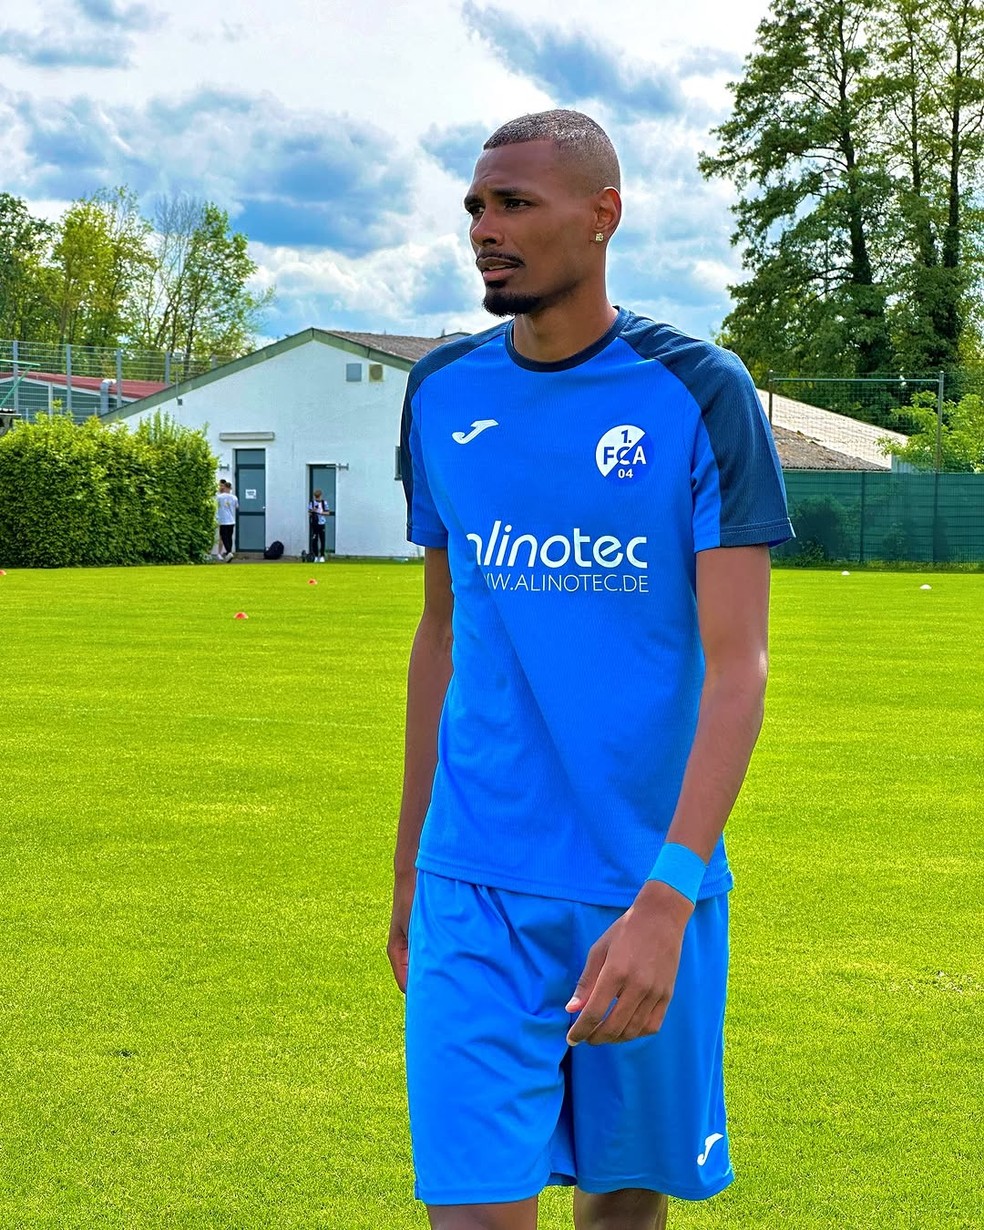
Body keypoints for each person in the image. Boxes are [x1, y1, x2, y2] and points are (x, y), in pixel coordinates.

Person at [390, 110, 794, 1230]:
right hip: (474, 879)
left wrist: (670, 894)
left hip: (643, 882)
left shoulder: (701, 393)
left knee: (622, 1210)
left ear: (603, 215)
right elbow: (443, 637)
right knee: (474, 1212)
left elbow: (740, 665)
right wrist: (411, 867)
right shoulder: (442, 393)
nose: (485, 228)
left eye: (515, 203)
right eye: (476, 205)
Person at [215, 479, 238, 561]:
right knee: (229, 537)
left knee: (224, 537)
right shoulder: (234, 497)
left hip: (223, 521)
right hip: (231, 520)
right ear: (230, 488)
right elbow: (237, 506)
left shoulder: (219, 497)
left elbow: (216, 506)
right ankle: (229, 552)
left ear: (224, 487)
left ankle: (228, 552)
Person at [308, 489, 332, 562]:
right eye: (316, 497)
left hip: (321, 523)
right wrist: (313, 511)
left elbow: (328, 513)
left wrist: (321, 512)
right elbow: (309, 513)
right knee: (314, 540)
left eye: (318, 496)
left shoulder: (324, 503)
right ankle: (315, 556)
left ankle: (322, 556)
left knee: (322, 540)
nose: (317, 498)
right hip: (314, 523)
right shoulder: (311, 503)